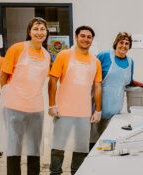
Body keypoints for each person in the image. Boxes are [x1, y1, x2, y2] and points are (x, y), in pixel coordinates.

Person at [0, 17, 50, 175]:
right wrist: (8, 97)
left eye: (42, 29)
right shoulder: (17, 48)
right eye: (36, 29)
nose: (39, 32)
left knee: (34, 149)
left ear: (46, 32)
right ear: (29, 32)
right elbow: (3, 76)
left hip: (35, 108)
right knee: (14, 149)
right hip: (14, 106)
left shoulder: (46, 55)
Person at [48, 26, 102, 175]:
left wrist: (98, 110)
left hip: (84, 112)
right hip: (63, 110)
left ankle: (77, 172)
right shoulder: (64, 55)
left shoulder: (95, 61)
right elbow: (52, 81)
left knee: (80, 147)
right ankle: (55, 172)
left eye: (89, 37)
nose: (86, 39)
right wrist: (52, 105)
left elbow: (97, 86)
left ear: (92, 40)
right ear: (76, 36)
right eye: (83, 36)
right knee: (58, 147)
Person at [89, 32, 143, 149]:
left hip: (116, 111)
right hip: (97, 109)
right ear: (116, 43)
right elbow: (90, 76)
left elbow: (129, 81)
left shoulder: (130, 62)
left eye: (127, 43)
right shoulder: (104, 56)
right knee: (93, 142)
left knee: (109, 143)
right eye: (121, 42)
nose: (124, 45)